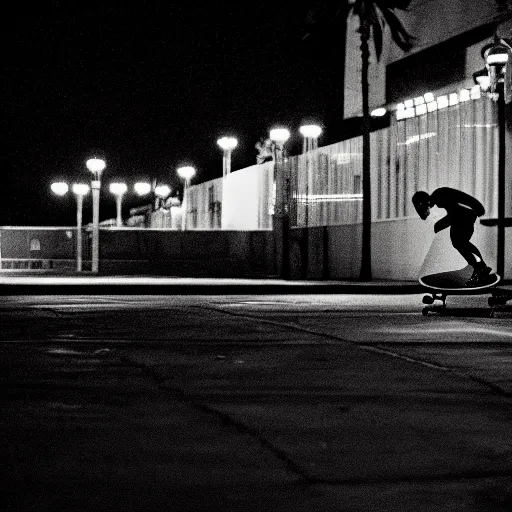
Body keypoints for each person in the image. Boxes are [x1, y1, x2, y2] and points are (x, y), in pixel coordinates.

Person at [412, 187, 492, 286]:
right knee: (461, 243)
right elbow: (455, 210)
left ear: (422, 203)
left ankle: (480, 268)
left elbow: (456, 208)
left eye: (421, 207)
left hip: (465, 217)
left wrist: (440, 224)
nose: (426, 210)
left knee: (459, 242)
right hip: (465, 216)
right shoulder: (438, 197)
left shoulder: (439, 197)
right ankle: (479, 267)